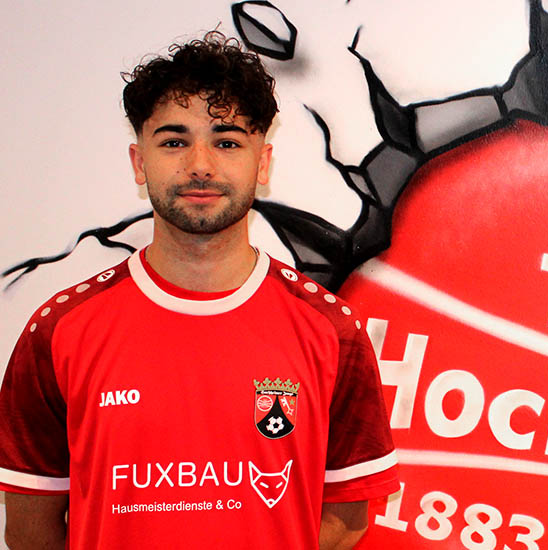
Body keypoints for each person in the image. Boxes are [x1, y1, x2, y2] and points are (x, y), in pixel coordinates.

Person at [0, 31, 399, 549]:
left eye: (227, 142)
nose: (201, 165)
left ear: (263, 163)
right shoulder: (60, 330)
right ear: (139, 162)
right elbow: (31, 530)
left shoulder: (330, 330)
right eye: (174, 142)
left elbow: (346, 519)